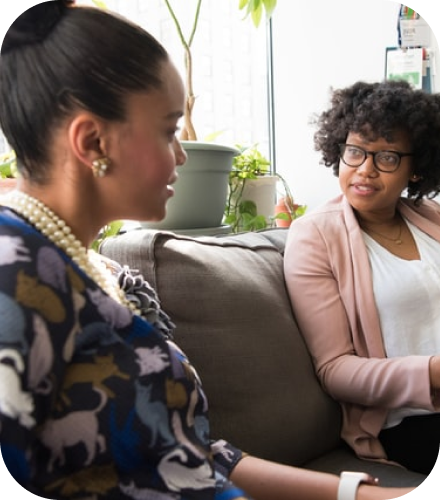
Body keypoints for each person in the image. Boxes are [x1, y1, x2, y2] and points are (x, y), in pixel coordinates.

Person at [0, 2, 415, 499]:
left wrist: (355, 493)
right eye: (169, 130)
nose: (181, 154)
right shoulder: (15, 275)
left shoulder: (106, 275)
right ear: (93, 142)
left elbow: (187, 456)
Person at [284, 78, 440, 477]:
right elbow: (335, 370)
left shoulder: (432, 218)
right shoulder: (315, 235)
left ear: (416, 169)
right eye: (355, 152)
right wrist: (434, 372)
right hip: (410, 420)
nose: (365, 170)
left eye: (387, 157)